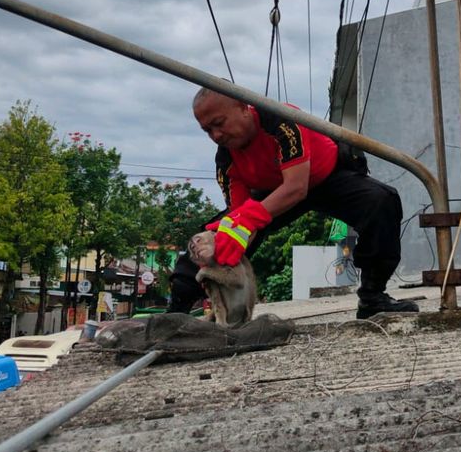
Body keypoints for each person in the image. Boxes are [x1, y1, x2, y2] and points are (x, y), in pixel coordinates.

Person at [168, 89, 419, 319]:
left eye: (219, 123)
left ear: (244, 107)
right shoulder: (226, 160)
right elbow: (239, 218)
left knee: (381, 201)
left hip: (325, 178)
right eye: (207, 130)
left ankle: (373, 297)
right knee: (216, 237)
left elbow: (296, 187)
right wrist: (220, 258)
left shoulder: (281, 119)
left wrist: (249, 219)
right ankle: (175, 313)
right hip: (273, 191)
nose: (215, 135)